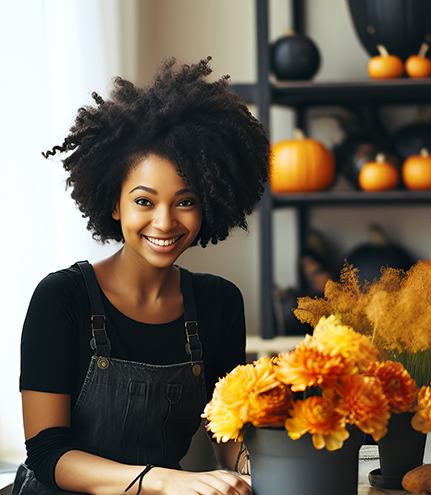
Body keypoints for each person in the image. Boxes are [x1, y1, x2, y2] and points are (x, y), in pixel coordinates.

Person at [15, 57, 269, 495]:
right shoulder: (61, 298)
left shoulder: (219, 303)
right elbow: (48, 454)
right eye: (145, 202)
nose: (165, 222)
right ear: (115, 206)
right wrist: (167, 481)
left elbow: (224, 431)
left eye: (185, 201)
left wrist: (255, 468)